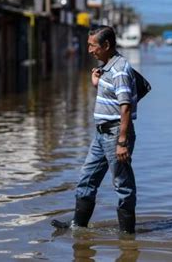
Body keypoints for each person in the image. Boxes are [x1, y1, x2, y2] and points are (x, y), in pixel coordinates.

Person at [52, 26, 138, 234]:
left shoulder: (119, 69)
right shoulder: (108, 66)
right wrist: (97, 83)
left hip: (115, 134)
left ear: (106, 45)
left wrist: (122, 141)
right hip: (101, 134)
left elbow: (125, 107)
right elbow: (112, 97)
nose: (89, 50)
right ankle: (78, 225)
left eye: (93, 45)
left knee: (122, 184)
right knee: (86, 178)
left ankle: (127, 236)